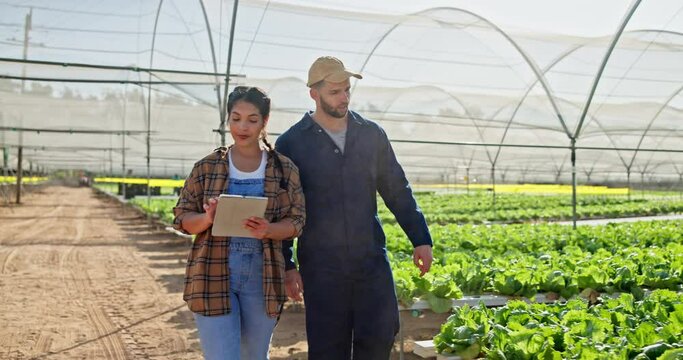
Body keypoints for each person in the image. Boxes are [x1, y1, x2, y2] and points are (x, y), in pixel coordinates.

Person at [275, 56, 433, 359]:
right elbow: (283, 208)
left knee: (380, 335)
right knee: (327, 347)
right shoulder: (292, 143)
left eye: (347, 90)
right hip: (321, 265)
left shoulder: (371, 134)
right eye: (335, 92)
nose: (344, 97)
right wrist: (288, 264)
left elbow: (396, 188)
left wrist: (421, 238)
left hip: (370, 258)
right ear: (314, 93)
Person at [172, 86, 305, 360]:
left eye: (252, 120)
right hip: (213, 272)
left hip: (263, 274)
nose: (242, 127)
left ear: (265, 122)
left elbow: (297, 220)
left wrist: (269, 229)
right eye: (236, 118)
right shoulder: (207, 167)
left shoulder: (283, 169)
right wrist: (207, 218)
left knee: (254, 356)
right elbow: (183, 218)